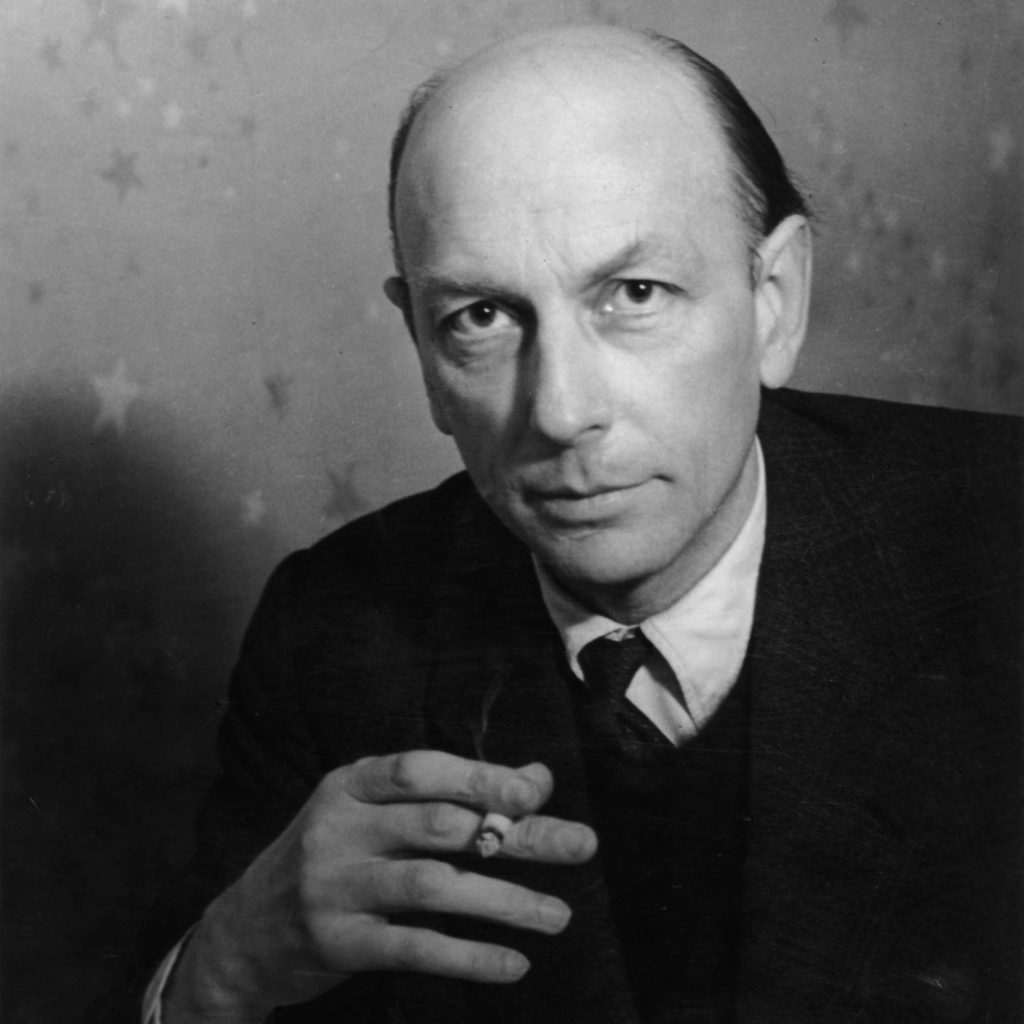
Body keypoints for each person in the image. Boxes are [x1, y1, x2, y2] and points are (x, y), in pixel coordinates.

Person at [142, 23, 1022, 1024]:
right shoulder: (328, 632)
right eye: (480, 316)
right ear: (422, 352)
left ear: (772, 302)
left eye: (633, 293)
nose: (559, 411)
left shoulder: (998, 545)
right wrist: (224, 971)